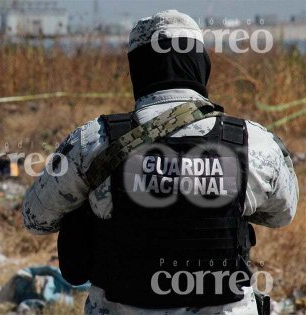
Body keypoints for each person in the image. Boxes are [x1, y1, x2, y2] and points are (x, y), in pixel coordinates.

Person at [22, 10, 299, 315]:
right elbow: (282, 215)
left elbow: (36, 218)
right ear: (200, 64)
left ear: (137, 68)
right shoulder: (253, 143)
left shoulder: (91, 142)